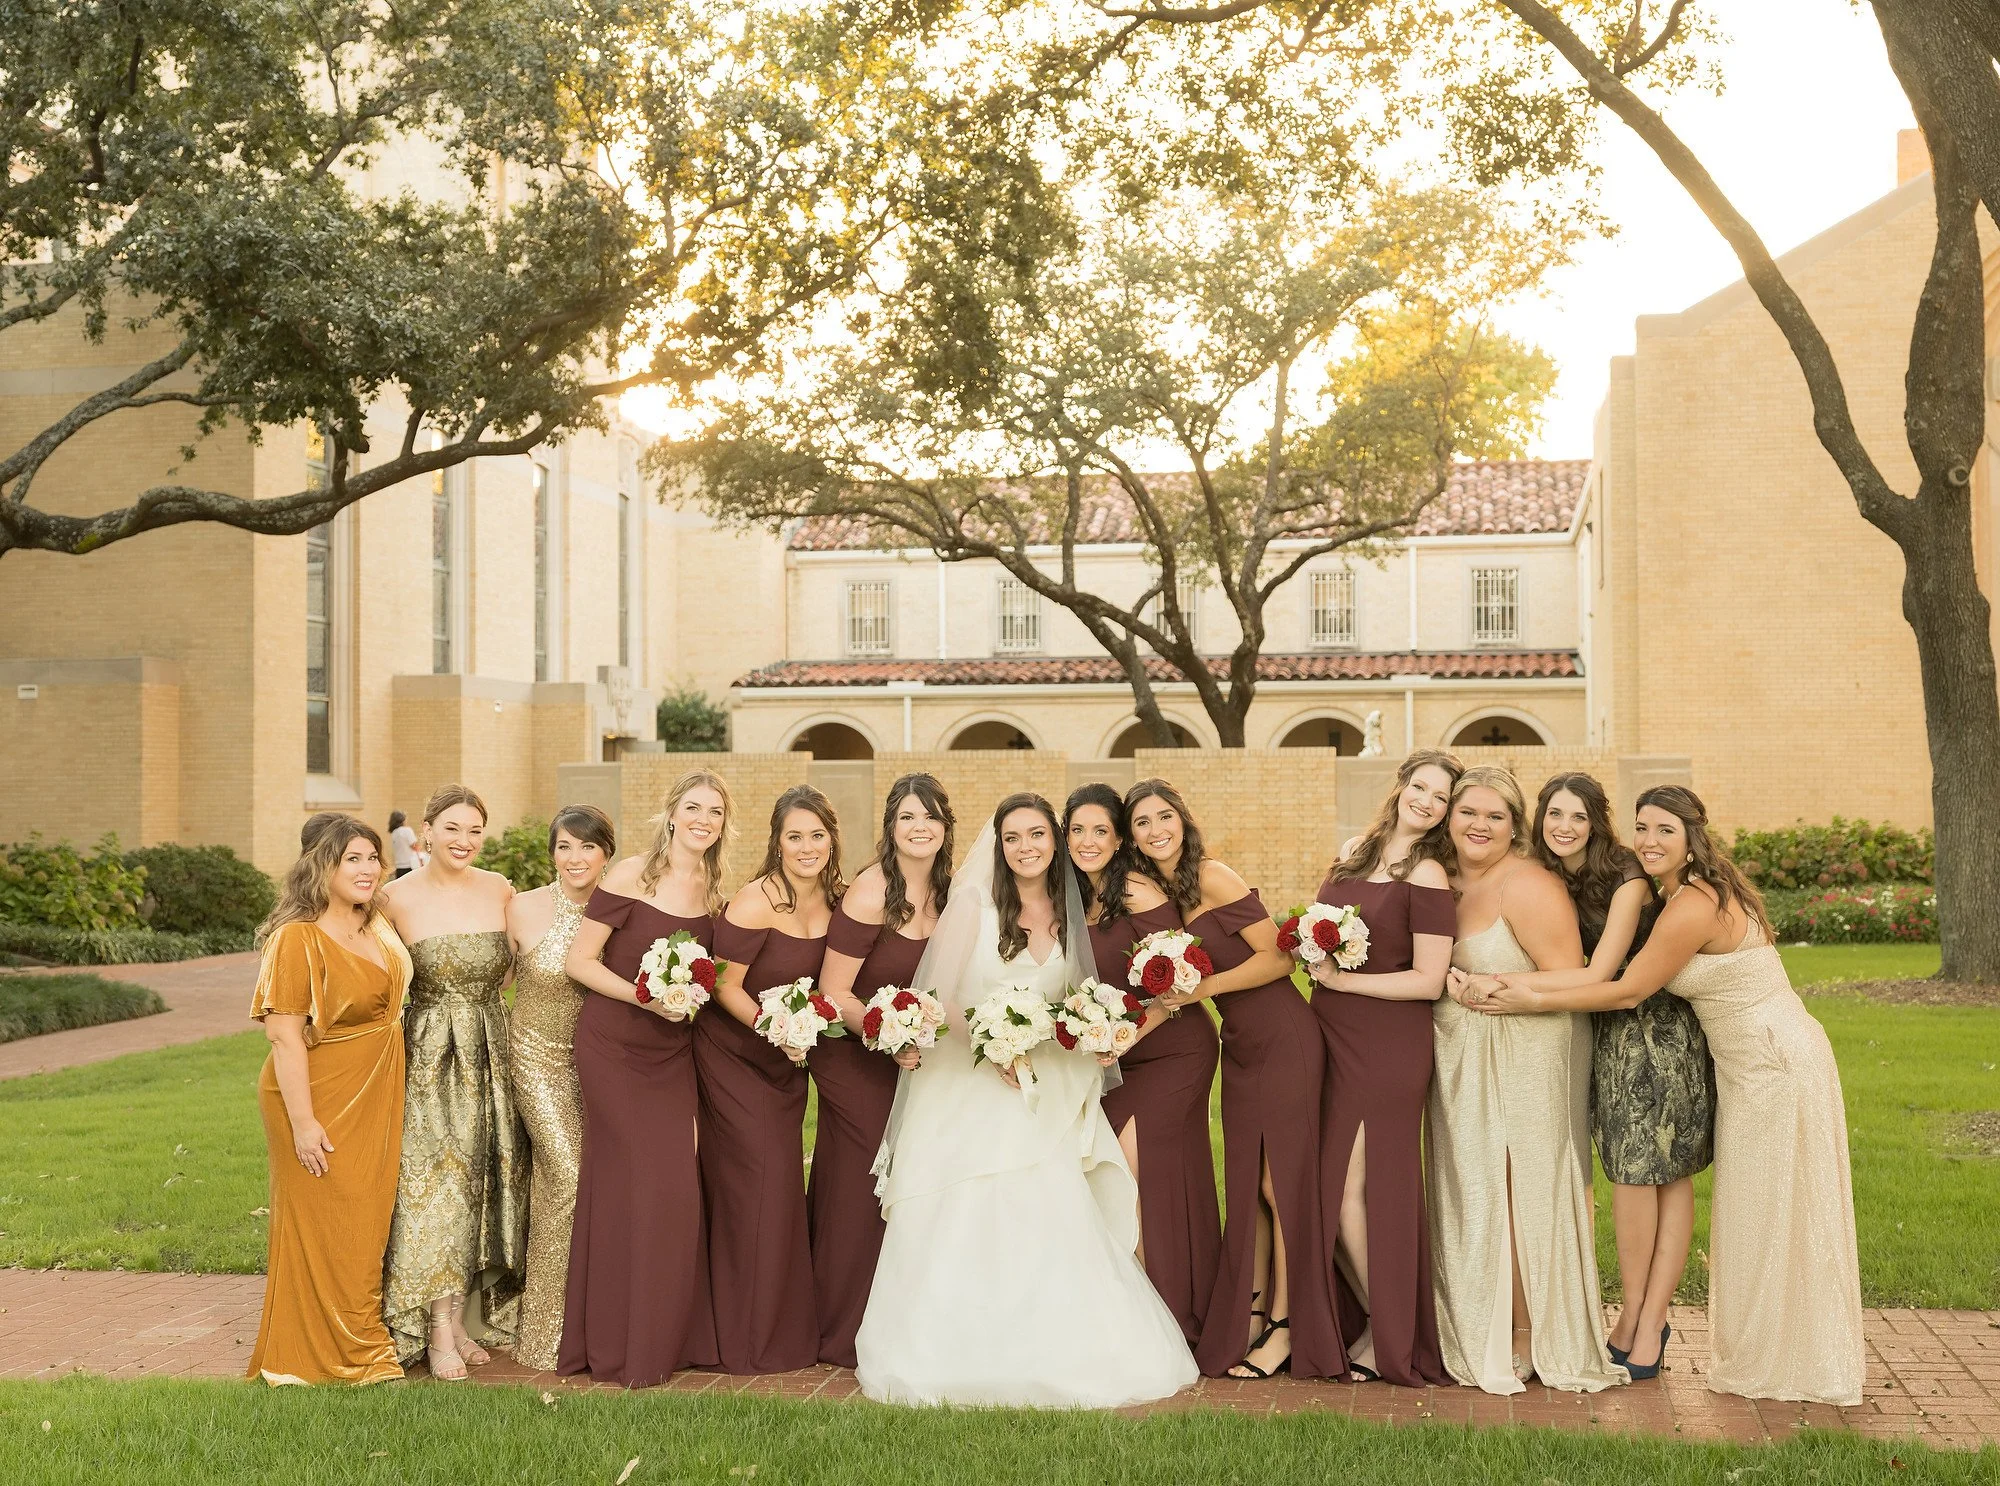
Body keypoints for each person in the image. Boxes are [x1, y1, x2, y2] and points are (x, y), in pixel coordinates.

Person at [1466, 785, 1865, 1405]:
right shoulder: (1677, 889)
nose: (1649, 841)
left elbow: (1623, 988)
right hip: (1745, 1059)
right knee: (1749, 1205)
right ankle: (1683, 1329)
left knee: (1750, 1201)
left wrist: (1527, 995)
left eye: (1664, 832)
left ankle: (1659, 1328)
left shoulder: (1688, 903)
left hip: (1768, 1061)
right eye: (1642, 828)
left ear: (1692, 838)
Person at [855, 794, 1197, 1407]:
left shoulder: (1074, 913)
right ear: (999, 845)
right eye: (1013, 837)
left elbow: (1074, 997)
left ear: (1055, 840)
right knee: (973, 1203)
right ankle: (954, 1347)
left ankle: (1061, 1345)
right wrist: (993, 1045)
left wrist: (1093, 1029)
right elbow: (938, 995)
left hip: (1050, 1080)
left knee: (1054, 1200)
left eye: (1038, 834)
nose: (1026, 847)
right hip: (972, 1076)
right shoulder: (976, 907)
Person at [1129, 780, 1340, 1381]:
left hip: (1284, 1037)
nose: (1155, 831)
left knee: (1281, 1187)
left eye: (1163, 817)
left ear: (1182, 819)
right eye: (1141, 823)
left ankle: (1286, 1327)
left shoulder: (1213, 875)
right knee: (1249, 1188)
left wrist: (1206, 989)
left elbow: (1279, 956)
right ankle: (1252, 1316)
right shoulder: (1163, 895)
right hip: (1240, 1046)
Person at [1426, 767, 1625, 1395]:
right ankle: (1466, 1317)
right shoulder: (1443, 881)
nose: (1479, 826)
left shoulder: (1529, 884)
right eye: (1468, 813)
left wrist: (1506, 992)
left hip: (1529, 1051)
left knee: (1519, 1189)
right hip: (1460, 1061)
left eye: (1495, 816)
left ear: (1516, 827)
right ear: (1449, 818)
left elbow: (1574, 975)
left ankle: (1526, 1333)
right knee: (1470, 1188)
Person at [1517, 773, 1714, 1373]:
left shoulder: (1626, 876)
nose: (1564, 827)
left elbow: (1605, 974)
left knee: (1651, 1175)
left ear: (1597, 822)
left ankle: (1643, 1320)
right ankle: (1641, 1317)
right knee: (1644, 1174)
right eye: (1554, 815)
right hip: (1607, 1030)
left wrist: (1517, 992)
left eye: (1578, 816)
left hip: (1654, 1031)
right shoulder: (1545, 874)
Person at [560, 771, 726, 1386]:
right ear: (671, 813)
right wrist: (643, 995)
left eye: (714, 810)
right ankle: (614, 1343)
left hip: (672, 1051)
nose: (702, 819)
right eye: (692, 807)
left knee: (674, 1187)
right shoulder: (631, 874)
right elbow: (580, 961)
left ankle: (663, 1334)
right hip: (613, 1045)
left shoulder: (716, 888)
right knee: (631, 1185)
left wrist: (687, 997)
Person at [1312, 749, 1460, 1387]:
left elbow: (1429, 982)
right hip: (1332, 1038)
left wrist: (1341, 985)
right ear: (1401, 786)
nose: (1426, 802)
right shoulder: (1355, 853)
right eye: (1419, 787)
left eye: (1440, 797)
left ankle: (1389, 1330)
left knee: (1351, 1194)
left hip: (1389, 1044)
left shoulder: (1427, 875)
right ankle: (1377, 1323)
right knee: (1330, 1191)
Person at [245, 816, 409, 1386]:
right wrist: (304, 1123)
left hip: (377, 1086)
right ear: (322, 867)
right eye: (352, 860)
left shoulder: (379, 923)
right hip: (316, 1093)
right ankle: (335, 1352)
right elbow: (284, 1035)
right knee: (327, 1219)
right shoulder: (297, 937)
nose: (367, 869)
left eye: (373, 858)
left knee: (366, 1218)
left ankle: (357, 1338)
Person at [376, 784, 528, 1378]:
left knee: (487, 1179)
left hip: (494, 1051)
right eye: (452, 828)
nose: (463, 841)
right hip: (429, 1059)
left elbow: (524, 961)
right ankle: (435, 1325)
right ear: (427, 831)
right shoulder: (393, 898)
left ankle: (461, 1315)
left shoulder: (500, 890)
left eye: (474, 831)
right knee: (438, 1183)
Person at [1066, 782, 1220, 1347]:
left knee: (1134, 1173)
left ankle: (1164, 1320)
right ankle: (1135, 1312)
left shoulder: (1136, 889)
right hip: (1115, 1055)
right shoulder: (1074, 898)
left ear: (1119, 838)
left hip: (1173, 1047)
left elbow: (1179, 982)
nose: (1088, 841)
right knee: (1114, 1177)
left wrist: (1124, 1035)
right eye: (1077, 830)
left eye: (1100, 830)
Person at [811, 774, 951, 1367]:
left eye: (931, 817)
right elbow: (834, 991)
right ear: (891, 827)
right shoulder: (870, 892)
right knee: (862, 1184)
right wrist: (884, 1034)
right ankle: (840, 1328)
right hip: (855, 1056)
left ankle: (906, 1318)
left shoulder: (954, 893)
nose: (920, 828)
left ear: (946, 827)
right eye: (907, 817)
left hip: (921, 1060)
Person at [701, 784, 842, 1374]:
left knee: (779, 1188)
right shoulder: (757, 901)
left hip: (787, 1065)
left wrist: (797, 1034)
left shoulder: (837, 902)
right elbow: (723, 984)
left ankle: (782, 1327)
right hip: (734, 1055)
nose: (806, 847)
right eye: (794, 837)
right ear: (776, 843)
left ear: (832, 838)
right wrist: (772, 1026)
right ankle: (747, 1339)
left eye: (816, 835)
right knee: (758, 1188)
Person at [503, 804, 615, 1372]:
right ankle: (547, 1332)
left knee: (595, 1181)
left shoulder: (619, 910)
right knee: (567, 1174)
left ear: (606, 855)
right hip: (535, 1058)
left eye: (588, 847)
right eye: (565, 846)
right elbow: (492, 982)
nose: (576, 858)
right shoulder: (521, 907)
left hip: (602, 1064)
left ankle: (597, 1320)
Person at [388, 811, 420, 880]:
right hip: (410, 865)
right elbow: (414, 846)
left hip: (399, 867)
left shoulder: (394, 832)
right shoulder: (407, 830)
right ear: (402, 819)